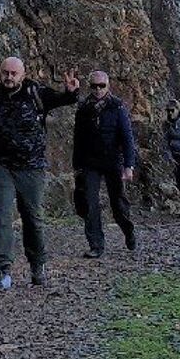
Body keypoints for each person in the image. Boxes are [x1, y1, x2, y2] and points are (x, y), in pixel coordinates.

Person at [0, 57, 80, 291]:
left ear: (23, 74)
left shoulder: (35, 92)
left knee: (33, 217)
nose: (9, 77)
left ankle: (37, 265)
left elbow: (61, 99)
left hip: (31, 167)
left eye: (14, 73)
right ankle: (2, 270)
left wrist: (71, 92)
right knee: (1, 216)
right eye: (5, 72)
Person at [73, 71, 138, 258]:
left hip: (112, 160)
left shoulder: (117, 106)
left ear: (108, 86)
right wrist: (77, 166)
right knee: (89, 203)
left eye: (101, 86)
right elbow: (78, 138)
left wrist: (129, 165)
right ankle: (96, 245)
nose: (98, 90)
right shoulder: (84, 108)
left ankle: (128, 230)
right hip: (90, 162)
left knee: (118, 203)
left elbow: (127, 137)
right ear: (90, 86)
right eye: (94, 86)